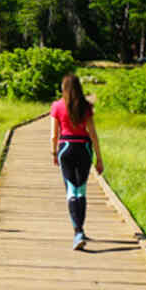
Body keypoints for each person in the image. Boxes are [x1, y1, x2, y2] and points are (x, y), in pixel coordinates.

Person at [50, 72, 104, 250]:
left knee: (71, 190)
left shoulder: (57, 106)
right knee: (81, 190)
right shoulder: (86, 107)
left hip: (65, 148)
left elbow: (53, 135)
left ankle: (78, 232)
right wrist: (99, 158)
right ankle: (80, 231)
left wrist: (53, 153)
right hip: (84, 149)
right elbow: (93, 134)